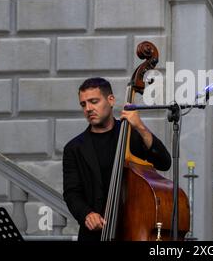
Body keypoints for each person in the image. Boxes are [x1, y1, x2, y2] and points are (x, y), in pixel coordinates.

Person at [62, 77, 171, 241]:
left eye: (94, 101)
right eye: (83, 104)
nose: (88, 108)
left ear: (111, 100)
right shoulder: (74, 148)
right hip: (94, 236)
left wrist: (140, 127)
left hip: (134, 229)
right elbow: (72, 193)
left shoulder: (131, 135)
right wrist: (87, 214)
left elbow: (164, 162)